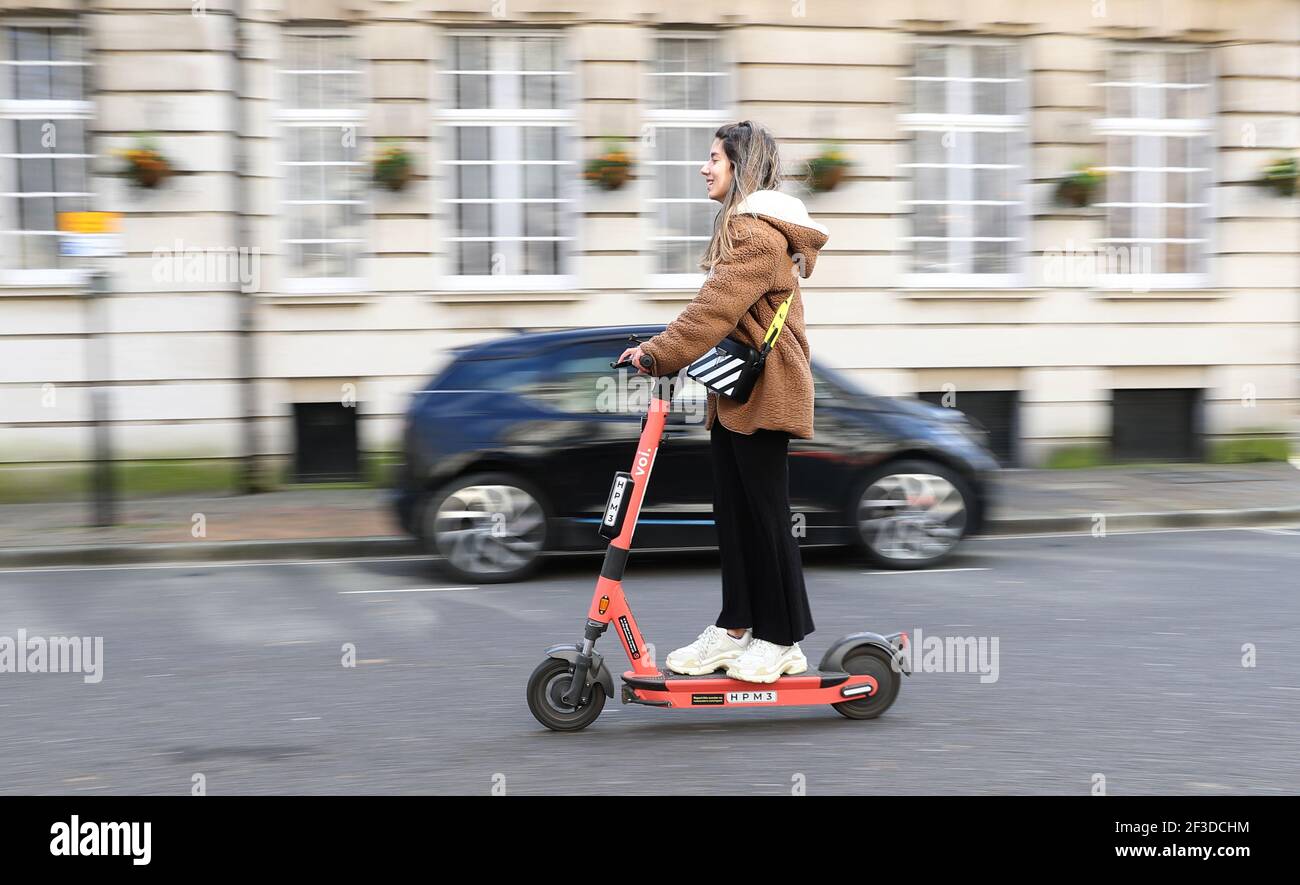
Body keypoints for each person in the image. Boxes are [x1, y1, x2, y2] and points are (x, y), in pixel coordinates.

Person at [618, 120, 829, 684]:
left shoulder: (756, 233)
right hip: (739, 393)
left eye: (714, 158)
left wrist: (656, 354)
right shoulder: (744, 228)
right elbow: (720, 313)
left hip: (768, 392)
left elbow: (712, 309)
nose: (704, 167)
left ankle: (781, 638)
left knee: (764, 518)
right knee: (734, 515)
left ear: (742, 166)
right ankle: (736, 627)